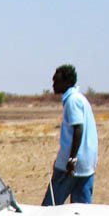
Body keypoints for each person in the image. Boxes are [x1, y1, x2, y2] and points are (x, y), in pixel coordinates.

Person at [42, 64, 98, 206]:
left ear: (67, 82)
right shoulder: (80, 98)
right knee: (81, 210)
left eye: (56, 81)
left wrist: (72, 159)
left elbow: (78, 129)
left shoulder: (72, 101)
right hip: (86, 164)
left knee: (49, 207)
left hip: (70, 165)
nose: (53, 84)